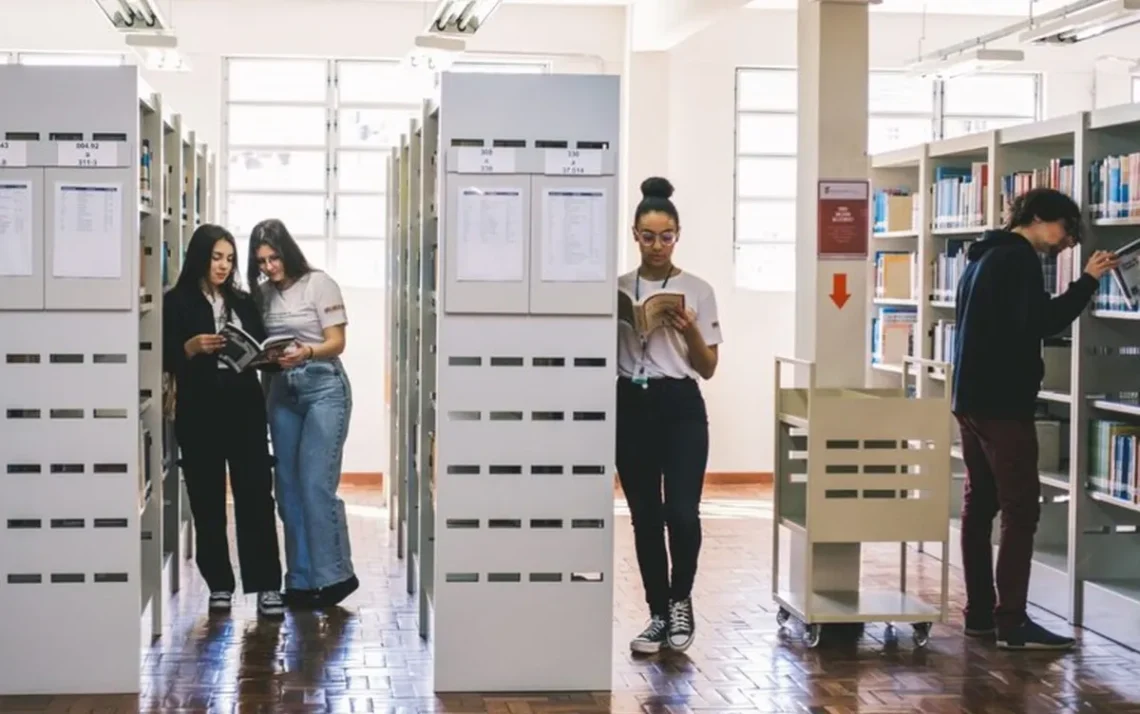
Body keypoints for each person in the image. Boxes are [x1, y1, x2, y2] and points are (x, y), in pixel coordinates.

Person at [952, 187, 1117, 650]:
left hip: (970, 400)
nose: (1068, 242)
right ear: (1041, 217)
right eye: (1066, 230)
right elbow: (1043, 321)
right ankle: (1012, 622)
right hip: (1004, 404)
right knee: (1022, 510)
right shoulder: (1019, 259)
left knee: (979, 508)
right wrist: (1087, 281)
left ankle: (980, 615)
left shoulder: (982, 257)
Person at [617, 177, 722, 655]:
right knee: (644, 516)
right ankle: (657, 613)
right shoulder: (617, 288)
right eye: (647, 235)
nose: (656, 245)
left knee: (681, 513)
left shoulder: (697, 290)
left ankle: (681, 600)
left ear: (677, 235)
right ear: (633, 234)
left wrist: (691, 333)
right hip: (630, 404)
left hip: (680, 404)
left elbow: (708, 368)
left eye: (665, 236)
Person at [162, 224, 284, 618]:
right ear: (200, 256)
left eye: (230, 259)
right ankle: (219, 585)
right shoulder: (176, 302)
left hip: (244, 408)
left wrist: (267, 357)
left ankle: (266, 585)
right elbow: (161, 359)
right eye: (217, 257)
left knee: (255, 497)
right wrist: (190, 346)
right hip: (198, 411)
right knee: (206, 501)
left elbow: (263, 347)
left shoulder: (243, 302)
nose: (224, 266)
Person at [248, 218, 358, 609]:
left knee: (315, 485)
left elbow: (337, 342)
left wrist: (306, 352)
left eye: (274, 258)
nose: (269, 267)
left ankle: (334, 577)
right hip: (281, 390)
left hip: (323, 386)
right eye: (261, 261)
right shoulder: (262, 295)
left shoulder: (319, 284)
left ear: (288, 252)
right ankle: (299, 579)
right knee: (288, 491)